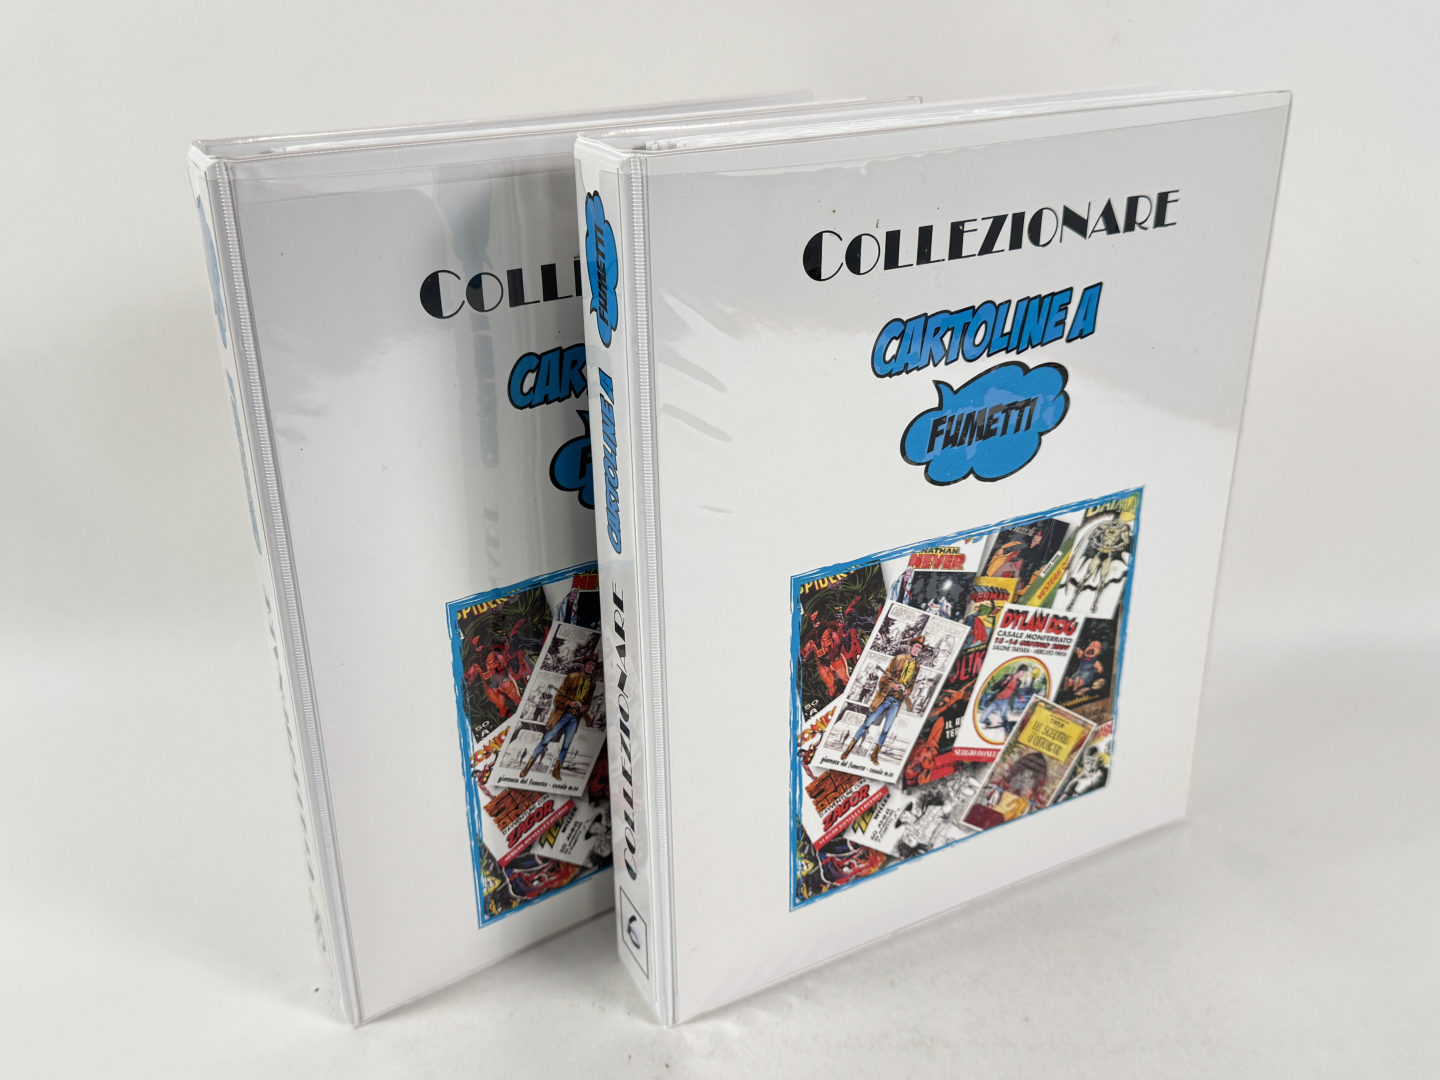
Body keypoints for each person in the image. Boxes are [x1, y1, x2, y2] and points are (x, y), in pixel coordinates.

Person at [841, 637, 923, 766]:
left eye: (920, 648)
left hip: (897, 701)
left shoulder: (916, 667)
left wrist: (907, 692)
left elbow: (911, 685)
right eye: (916, 646)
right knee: (867, 723)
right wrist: (893, 686)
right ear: (911, 647)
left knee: (886, 730)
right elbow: (883, 680)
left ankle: (875, 755)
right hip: (886, 697)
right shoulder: (898, 659)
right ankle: (848, 749)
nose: (917, 649)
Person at [520, 654, 599, 782]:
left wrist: (585, 708)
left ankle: (556, 771)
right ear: (585, 665)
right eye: (590, 664)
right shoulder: (571, 677)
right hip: (563, 714)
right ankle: (527, 767)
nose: (591, 667)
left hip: (575, 718)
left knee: (566, 746)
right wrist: (569, 703)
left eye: (594, 665)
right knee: (545, 740)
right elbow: (557, 698)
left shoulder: (592, 684)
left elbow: (588, 701)